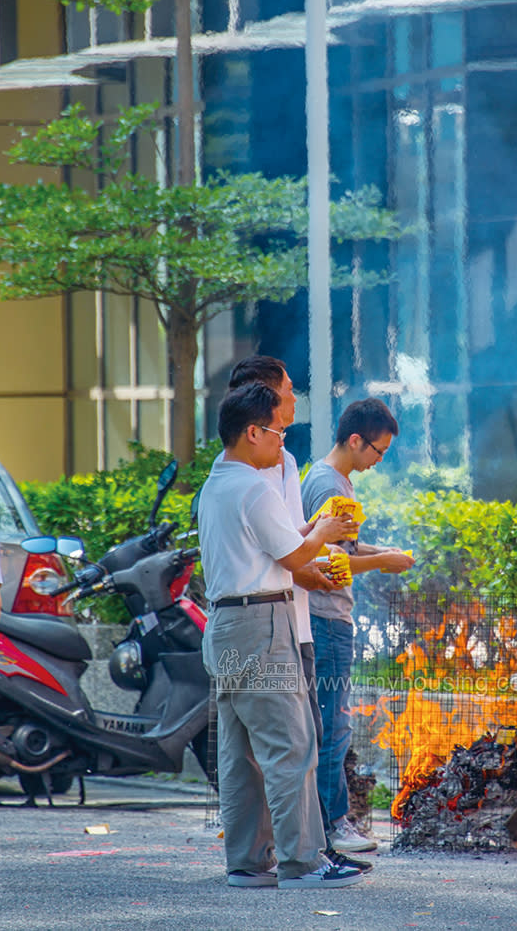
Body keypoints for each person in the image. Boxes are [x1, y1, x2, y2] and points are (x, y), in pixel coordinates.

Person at [198, 381, 362, 889]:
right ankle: (304, 861)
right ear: (252, 432)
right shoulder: (252, 487)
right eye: (277, 432)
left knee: (241, 752)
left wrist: (309, 538)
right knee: (292, 745)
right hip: (261, 622)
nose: (282, 442)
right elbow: (294, 556)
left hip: (226, 624)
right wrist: (324, 532)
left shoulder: (214, 485)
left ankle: (247, 861)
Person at [302, 397, 415, 854]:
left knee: (331, 723)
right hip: (327, 618)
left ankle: (327, 823)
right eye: (378, 451)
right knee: (333, 725)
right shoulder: (330, 485)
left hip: (329, 618)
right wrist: (383, 561)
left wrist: (380, 552)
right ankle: (333, 823)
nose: (378, 461)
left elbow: (343, 546)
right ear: (355, 440)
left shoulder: (329, 478)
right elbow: (329, 559)